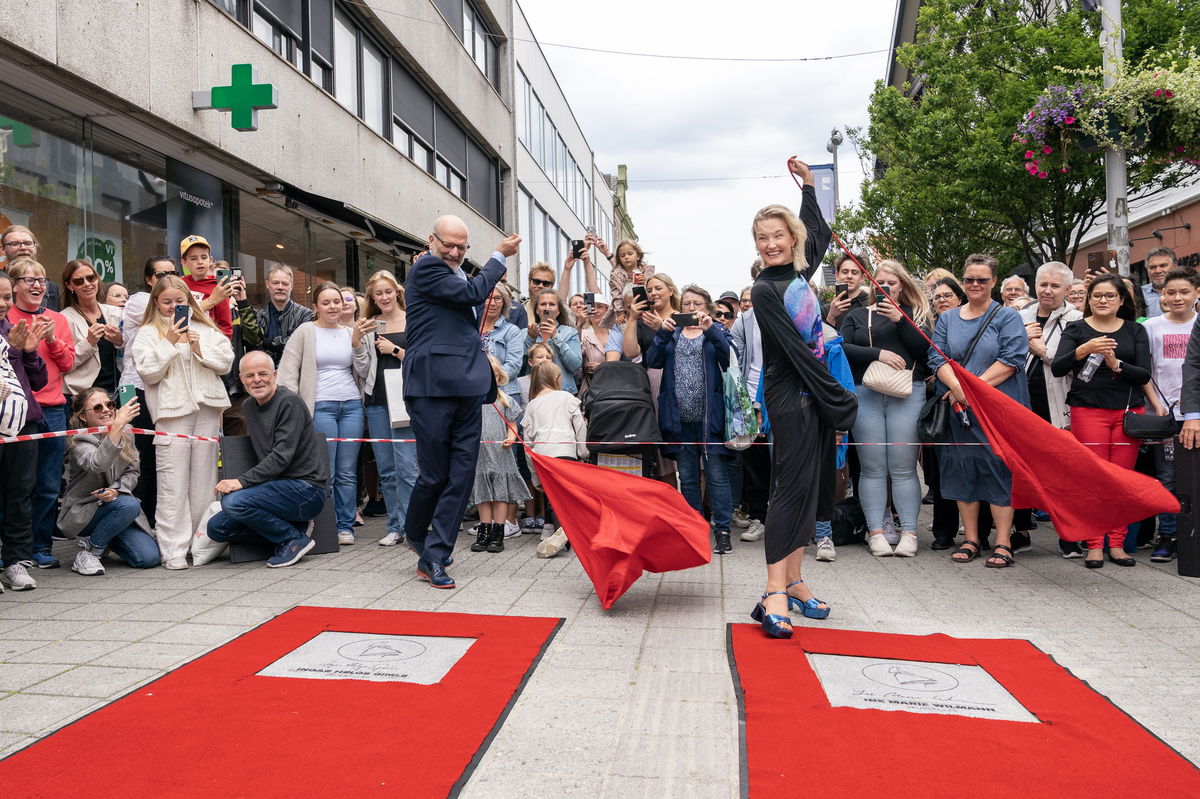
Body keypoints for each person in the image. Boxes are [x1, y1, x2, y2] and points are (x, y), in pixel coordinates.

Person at [746, 157, 846, 639]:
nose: (770, 243)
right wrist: (837, 398)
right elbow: (795, 353)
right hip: (791, 398)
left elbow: (818, 232)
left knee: (810, 493)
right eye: (762, 237)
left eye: (777, 235)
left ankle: (796, 580)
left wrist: (808, 187)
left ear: (791, 240)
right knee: (787, 493)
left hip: (815, 397)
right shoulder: (764, 290)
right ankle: (772, 592)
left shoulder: (799, 273)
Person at [402, 215, 520, 589]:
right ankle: (416, 533)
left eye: (460, 247)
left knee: (461, 475)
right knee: (435, 474)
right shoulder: (426, 268)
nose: (453, 252)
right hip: (431, 387)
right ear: (431, 240)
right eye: (447, 244)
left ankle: (434, 555)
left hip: (469, 388)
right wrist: (498, 256)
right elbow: (473, 295)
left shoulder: (455, 275)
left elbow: (467, 306)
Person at [930, 253, 1030, 569]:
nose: (975, 284)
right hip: (958, 410)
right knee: (962, 469)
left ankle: (1003, 541)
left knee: (999, 470)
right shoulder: (947, 319)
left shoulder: (1007, 317)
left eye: (982, 280)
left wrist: (972, 390)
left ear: (993, 282)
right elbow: (937, 358)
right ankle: (971, 538)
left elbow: (1012, 359)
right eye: (970, 279)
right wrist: (960, 391)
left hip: (997, 408)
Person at [1052, 275, 1158, 568]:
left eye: (1110, 296)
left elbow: (1144, 375)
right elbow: (1059, 368)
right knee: (1095, 478)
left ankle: (1118, 543)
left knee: (1121, 479)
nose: (1103, 300)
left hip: (1127, 413)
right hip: (1088, 410)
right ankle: (1095, 544)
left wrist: (1117, 365)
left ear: (1122, 300)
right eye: (1097, 295)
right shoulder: (1076, 328)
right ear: (1089, 300)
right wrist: (1083, 350)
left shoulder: (1135, 330)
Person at [132, 275, 233, 569]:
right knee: (172, 481)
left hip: (207, 408)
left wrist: (199, 348)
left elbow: (226, 362)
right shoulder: (148, 332)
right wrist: (169, 343)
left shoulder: (205, 327)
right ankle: (173, 548)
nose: (173, 307)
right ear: (156, 303)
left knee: (204, 481)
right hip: (172, 412)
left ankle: (201, 542)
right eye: (167, 302)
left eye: (179, 301)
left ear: (189, 300)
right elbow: (148, 372)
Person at [840, 259, 932, 558]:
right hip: (865, 391)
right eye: (880, 282)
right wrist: (878, 353)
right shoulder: (856, 314)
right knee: (872, 466)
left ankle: (909, 532)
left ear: (901, 285)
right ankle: (876, 531)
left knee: (904, 466)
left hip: (908, 391)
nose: (885, 287)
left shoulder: (915, 315)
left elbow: (926, 352)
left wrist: (900, 320)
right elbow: (842, 348)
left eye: (891, 283)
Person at [206, 351, 329, 568]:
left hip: (306, 490)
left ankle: (292, 539)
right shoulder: (248, 407)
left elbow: (281, 457)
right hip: (274, 487)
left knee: (233, 502)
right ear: (241, 379)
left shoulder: (289, 402)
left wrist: (241, 482)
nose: (257, 380)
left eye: (262, 373)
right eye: (249, 375)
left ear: (274, 374)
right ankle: (291, 530)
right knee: (216, 528)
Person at [278, 281, 372, 545]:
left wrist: (357, 343)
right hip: (320, 406)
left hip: (352, 405)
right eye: (326, 302)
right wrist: (294, 409)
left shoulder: (349, 332)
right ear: (316, 306)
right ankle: (323, 525)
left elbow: (363, 371)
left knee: (347, 471)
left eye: (337, 302)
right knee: (325, 470)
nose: (333, 306)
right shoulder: (305, 331)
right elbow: (287, 372)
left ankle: (345, 526)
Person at [645, 284, 735, 553]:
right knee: (688, 476)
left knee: (717, 476)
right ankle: (695, 526)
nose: (692, 308)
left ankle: (722, 530)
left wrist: (712, 330)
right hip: (679, 418)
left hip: (711, 418)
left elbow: (730, 358)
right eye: (686, 304)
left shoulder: (716, 331)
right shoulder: (672, 335)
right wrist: (661, 333)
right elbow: (653, 360)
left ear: (706, 307)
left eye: (697, 303)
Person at [5, 257, 74, 569]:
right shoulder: (7, 317)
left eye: (41, 280)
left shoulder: (58, 320)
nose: (37, 285)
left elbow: (68, 364)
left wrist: (51, 340)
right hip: (17, 414)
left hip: (54, 409)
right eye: (29, 280)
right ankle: (14, 552)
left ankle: (40, 547)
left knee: (47, 484)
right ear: (15, 286)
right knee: (19, 484)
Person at [1018, 261, 1084, 557]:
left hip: (1057, 404)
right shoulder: (1018, 316)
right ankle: (1020, 532)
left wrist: (1042, 350)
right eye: (1043, 284)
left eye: (1055, 286)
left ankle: (1068, 535)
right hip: (1021, 402)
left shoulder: (1079, 320)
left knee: (1062, 473)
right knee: (1020, 470)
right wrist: (1022, 340)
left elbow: (1076, 366)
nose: (1047, 290)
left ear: (1068, 290)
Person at [58, 388, 160, 575]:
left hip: (116, 505)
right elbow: (97, 464)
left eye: (110, 404)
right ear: (82, 417)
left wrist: (116, 490)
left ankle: (103, 539)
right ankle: (90, 552)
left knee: (148, 558)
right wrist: (116, 428)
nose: (106, 410)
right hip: (83, 512)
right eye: (97, 407)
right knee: (129, 504)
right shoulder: (79, 439)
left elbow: (133, 471)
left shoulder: (126, 431)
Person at [359, 270, 419, 548]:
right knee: (387, 470)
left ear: (397, 292)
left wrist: (395, 350)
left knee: (407, 467)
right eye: (378, 293)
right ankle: (395, 526)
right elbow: (361, 368)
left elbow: (421, 360)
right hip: (377, 401)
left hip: (405, 398)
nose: (384, 297)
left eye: (388, 291)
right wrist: (357, 341)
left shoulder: (412, 319)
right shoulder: (369, 324)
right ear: (372, 297)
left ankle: (413, 525)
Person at [1142, 267, 1196, 564]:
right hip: (1164, 415)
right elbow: (1145, 372)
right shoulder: (1152, 327)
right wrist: (1156, 403)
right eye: (1171, 292)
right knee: (1166, 477)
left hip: (1196, 415)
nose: (1177, 298)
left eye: (1184, 292)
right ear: (1162, 294)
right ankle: (1168, 535)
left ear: (1196, 293)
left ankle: (1193, 536)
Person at [118, 256, 178, 525]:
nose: (166, 278)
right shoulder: (139, 301)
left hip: (162, 389)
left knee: (159, 457)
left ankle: (154, 522)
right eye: (160, 274)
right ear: (148, 279)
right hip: (134, 387)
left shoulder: (175, 301)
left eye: (173, 273)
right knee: (138, 458)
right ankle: (133, 522)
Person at [0, 271, 44, 590]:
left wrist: (28, 351)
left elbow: (38, 382)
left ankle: (16, 562)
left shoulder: (15, 329)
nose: (2, 304)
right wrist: (12, 350)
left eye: (5, 298)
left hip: (23, 423)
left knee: (20, 494)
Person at [522, 360, 588, 558]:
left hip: (543, 455)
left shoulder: (532, 405)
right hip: (566, 451)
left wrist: (534, 476)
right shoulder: (567, 398)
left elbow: (528, 444)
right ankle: (570, 535)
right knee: (570, 496)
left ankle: (558, 534)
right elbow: (580, 426)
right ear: (557, 379)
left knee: (553, 498)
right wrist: (583, 452)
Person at [468, 357, 530, 553]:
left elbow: (512, 424)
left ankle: (498, 533)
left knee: (500, 495)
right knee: (483, 495)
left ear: (499, 376)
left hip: (500, 455)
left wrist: (510, 439)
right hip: (480, 456)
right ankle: (484, 532)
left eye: (494, 374)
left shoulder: (504, 399)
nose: (490, 378)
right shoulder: (472, 399)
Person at [731, 277, 768, 543]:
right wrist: (744, 399)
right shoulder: (744, 320)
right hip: (750, 392)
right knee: (754, 462)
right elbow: (737, 359)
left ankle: (785, 518)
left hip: (780, 395)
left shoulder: (788, 311)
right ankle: (758, 517)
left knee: (782, 460)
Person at [60, 259, 123, 396]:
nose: (87, 284)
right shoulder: (64, 319)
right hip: (82, 396)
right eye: (78, 281)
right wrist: (88, 343)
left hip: (118, 391)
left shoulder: (116, 313)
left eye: (91, 278)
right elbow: (63, 365)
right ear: (70, 286)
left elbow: (134, 353)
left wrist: (120, 341)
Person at [524, 289, 582, 395]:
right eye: (543, 304)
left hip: (563, 391)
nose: (547, 308)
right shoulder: (526, 333)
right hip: (534, 393)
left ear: (558, 310)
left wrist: (556, 336)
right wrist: (530, 340)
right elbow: (521, 367)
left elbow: (575, 365)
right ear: (537, 310)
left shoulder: (570, 332)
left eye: (551, 304)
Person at [253, 264, 314, 365]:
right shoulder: (258, 316)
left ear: (291, 286)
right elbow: (254, 347)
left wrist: (266, 342)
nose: (280, 287)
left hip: (296, 375)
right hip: (265, 376)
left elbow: (299, 344)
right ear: (267, 284)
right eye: (275, 283)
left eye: (285, 284)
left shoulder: (305, 315)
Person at [179, 235, 234, 338]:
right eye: (193, 258)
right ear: (184, 262)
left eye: (204, 257)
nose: (200, 262)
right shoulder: (179, 284)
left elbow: (226, 327)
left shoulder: (218, 286)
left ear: (210, 260)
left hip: (209, 345)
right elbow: (176, 317)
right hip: (182, 343)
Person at [1, 226, 59, 310]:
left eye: (28, 243)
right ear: (3, 249)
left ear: (35, 247)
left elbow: (53, 318)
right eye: (15, 244)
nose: (23, 248)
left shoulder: (50, 287)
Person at [605, 238, 655, 312]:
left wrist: (645, 282)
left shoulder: (647, 272)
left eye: (630, 254)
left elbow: (653, 291)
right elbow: (616, 295)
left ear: (638, 256)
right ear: (619, 259)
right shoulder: (616, 276)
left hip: (646, 308)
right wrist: (620, 311)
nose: (626, 257)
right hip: (626, 311)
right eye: (622, 255)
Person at [824, 252, 871, 328]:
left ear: (862, 278)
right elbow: (820, 339)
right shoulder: (826, 310)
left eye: (854, 273)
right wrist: (831, 317)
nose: (849, 276)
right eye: (845, 272)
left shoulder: (871, 305)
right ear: (837, 275)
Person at [508, 262, 557, 331]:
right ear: (529, 282)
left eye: (546, 283)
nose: (540, 286)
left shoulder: (558, 313)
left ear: (551, 286)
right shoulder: (516, 311)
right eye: (536, 281)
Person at [1141, 246, 1177, 319]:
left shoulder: (1189, 291)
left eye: (1163, 265)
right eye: (1152, 267)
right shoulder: (1139, 293)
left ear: (1175, 266)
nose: (1158, 271)